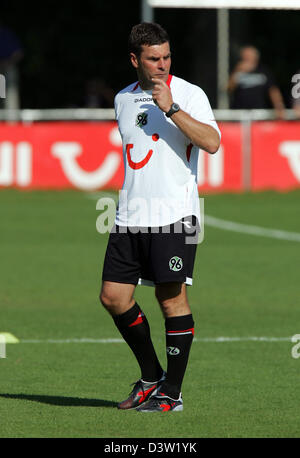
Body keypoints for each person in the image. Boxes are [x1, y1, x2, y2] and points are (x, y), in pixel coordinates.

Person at [99, 22, 221, 412]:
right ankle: (151, 377)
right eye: (153, 59)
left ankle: (174, 392)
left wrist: (171, 107)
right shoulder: (122, 98)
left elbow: (212, 142)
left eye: (166, 57)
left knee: (171, 300)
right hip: (130, 215)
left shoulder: (189, 93)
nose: (162, 65)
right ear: (135, 59)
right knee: (113, 297)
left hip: (174, 215)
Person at [227, 45, 285, 119]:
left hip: (259, 113)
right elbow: (229, 88)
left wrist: (279, 106)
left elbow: (273, 90)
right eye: (245, 55)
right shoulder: (237, 70)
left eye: (249, 55)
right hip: (239, 114)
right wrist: (237, 71)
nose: (246, 58)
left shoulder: (264, 71)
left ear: (256, 57)